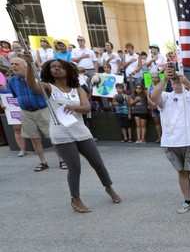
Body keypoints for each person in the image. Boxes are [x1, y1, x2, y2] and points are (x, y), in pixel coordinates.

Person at [26, 59, 120, 212]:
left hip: (81, 131)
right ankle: (75, 199)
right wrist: (29, 66)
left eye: (59, 67)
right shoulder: (48, 87)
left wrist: (74, 107)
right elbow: (32, 85)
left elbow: (87, 107)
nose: (55, 69)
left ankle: (109, 188)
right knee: (74, 168)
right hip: (61, 134)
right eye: (53, 67)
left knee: (98, 163)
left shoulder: (77, 89)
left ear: (67, 70)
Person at [151, 66, 190, 214]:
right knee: (181, 172)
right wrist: (164, 78)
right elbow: (154, 98)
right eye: (174, 81)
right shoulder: (166, 96)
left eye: (179, 80)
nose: (177, 83)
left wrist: (188, 83)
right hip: (172, 141)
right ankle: (187, 200)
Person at [7, 57, 61, 171]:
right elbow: (14, 96)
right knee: (34, 139)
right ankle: (43, 162)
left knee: (53, 136)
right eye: (11, 64)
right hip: (26, 112)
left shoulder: (38, 77)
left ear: (25, 66)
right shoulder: (11, 81)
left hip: (42, 110)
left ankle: (62, 160)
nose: (13, 66)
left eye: (16, 64)